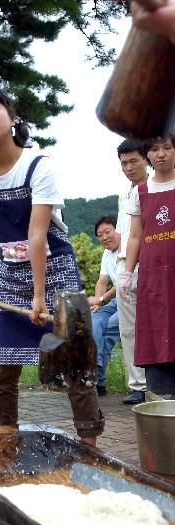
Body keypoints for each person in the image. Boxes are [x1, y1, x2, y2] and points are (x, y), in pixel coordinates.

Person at [0, 86, 104, 446]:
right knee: (4, 371)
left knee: (75, 363)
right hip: (9, 275)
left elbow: (37, 234)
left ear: (12, 118)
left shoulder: (40, 166)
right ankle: (2, 443)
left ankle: (90, 446)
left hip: (56, 271)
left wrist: (40, 296)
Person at [119, 136, 175, 399]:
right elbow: (134, 237)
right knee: (156, 327)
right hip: (152, 274)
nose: (161, 154)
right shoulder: (141, 191)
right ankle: (161, 393)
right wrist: (128, 273)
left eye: (167, 147)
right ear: (148, 155)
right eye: (154, 149)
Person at [116, 140, 148, 404]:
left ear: (146, 158)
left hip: (150, 263)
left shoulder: (157, 187)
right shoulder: (124, 193)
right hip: (124, 265)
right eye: (123, 163)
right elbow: (122, 235)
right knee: (129, 329)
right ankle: (138, 385)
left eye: (133, 161)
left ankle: (161, 381)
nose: (128, 168)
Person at [88, 217, 121, 397]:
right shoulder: (106, 254)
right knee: (93, 320)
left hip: (134, 301)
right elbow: (102, 281)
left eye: (108, 232)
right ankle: (96, 381)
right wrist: (96, 301)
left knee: (107, 330)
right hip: (116, 302)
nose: (104, 237)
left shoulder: (128, 248)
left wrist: (100, 299)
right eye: (100, 235)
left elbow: (123, 281)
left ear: (118, 229)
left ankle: (98, 381)